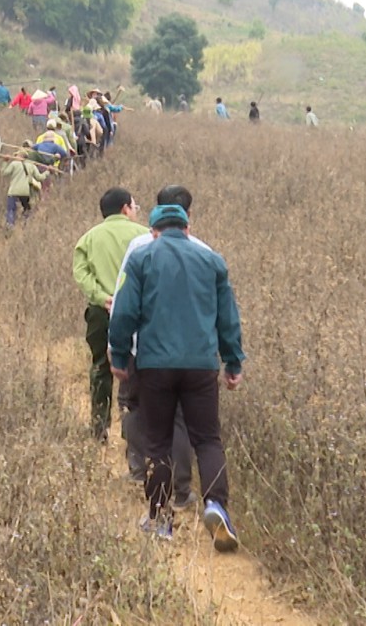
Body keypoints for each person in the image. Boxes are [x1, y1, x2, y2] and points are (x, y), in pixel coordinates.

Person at [109, 202, 245, 549]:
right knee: (208, 439)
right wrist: (233, 362)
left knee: (158, 442)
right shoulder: (212, 260)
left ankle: (159, 518)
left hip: (155, 365)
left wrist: (120, 356)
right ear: (187, 228)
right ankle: (216, 505)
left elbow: (125, 312)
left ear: (154, 231)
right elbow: (228, 318)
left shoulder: (143, 258)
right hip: (201, 365)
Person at [114, 185, 210, 499]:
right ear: (189, 215)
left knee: (137, 408)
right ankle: (182, 489)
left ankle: (141, 473)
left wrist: (118, 348)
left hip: (142, 349)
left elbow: (123, 300)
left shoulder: (139, 247)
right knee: (179, 420)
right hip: (189, 353)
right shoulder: (204, 252)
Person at [72, 188, 149, 443]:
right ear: (125, 208)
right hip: (139, 314)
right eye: (135, 207)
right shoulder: (145, 236)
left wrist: (101, 297)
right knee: (136, 371)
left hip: (100, 312)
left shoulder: (88, 238)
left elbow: (81, 274)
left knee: (100, 368)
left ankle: (99, 428)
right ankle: (133, 433)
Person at [1, 151, 46, 227]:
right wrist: (48, 172)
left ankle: (10, 225)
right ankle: (25, 225)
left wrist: (5, 162)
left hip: (13, 191)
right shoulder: (31, 166)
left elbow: (4, 173)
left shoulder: (14, 164)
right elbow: (40, 177)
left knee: (11, 210)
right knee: (26, 210)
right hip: (25, 192)